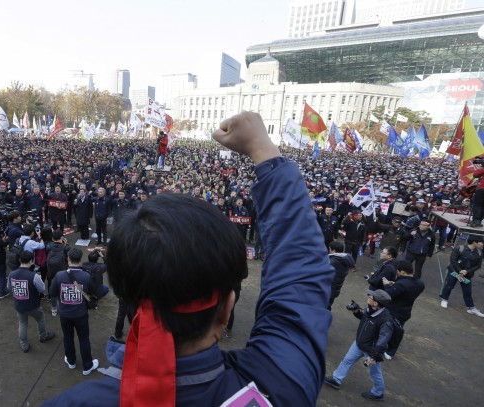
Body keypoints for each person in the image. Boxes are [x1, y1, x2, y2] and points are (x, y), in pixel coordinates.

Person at [43, 112, 332, 406]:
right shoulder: (280, 383)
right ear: (226, 308)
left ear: (124, 298)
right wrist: (263, 150)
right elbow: (300, 281)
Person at [324, 289, 394, 401]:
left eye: (371, 297)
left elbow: (383, 341)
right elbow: (364, 318)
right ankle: (336, 379)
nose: (369, 296)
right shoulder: (371, 309)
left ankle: (378, 393)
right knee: (347, 360)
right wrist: (356, 311)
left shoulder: (386, 321)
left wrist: (373, 357)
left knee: (374, 372)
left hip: (371, 350)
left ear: (375, 303)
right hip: (359, 343)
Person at [50, 248, 99, 375]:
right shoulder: (86, 276)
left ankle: (71, 361)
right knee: (84, 339)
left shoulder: (59, 275)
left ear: (68, 259)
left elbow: (52, 292)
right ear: (80, 259)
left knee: (68, 337)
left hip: (65, 314)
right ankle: (87, 366)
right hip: (81, 314)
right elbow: (95, 291)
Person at [7, 250, 56, 353]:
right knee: (40, 318)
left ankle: (24, 344)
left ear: (20, 260)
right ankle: (43, 336)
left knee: (22, 323)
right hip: (33, 305)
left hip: (19, 305)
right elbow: (42, 289)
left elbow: (9, 287)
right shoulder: (33, 276)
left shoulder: (12, 274)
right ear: (31, 261)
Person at [382, 259, 425, 358]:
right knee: (397, 331)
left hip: (394, 311)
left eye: (398, 271)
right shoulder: (420, 284)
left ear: (402, 272)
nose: (396, 273)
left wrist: (387, 285)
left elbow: (388, 295)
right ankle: (390, 351)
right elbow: (405, 289)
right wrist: (395, 285)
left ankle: (389, 350)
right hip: (405, 312)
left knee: (390, 331)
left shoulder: (401, 284)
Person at [439, 236, 484, 317]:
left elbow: (478, 266)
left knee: (467, 291)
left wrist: (467, 271)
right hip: (454, 271)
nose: (482, 244)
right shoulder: (459, 248)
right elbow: (453, 260)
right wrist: (460, 270)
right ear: (474, 242)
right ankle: (444, 299)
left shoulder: (479, 253)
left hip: (467, 274)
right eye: (481, 242)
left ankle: (471, 308)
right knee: (449, 286)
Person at [328, 240, 355, 309]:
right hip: (336, 287)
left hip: (328, 288)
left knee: (325, 305)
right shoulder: (344, 258)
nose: (329, 250)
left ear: (333, 250)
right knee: (329, 303)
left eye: (329, 248)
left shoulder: (333, 261)